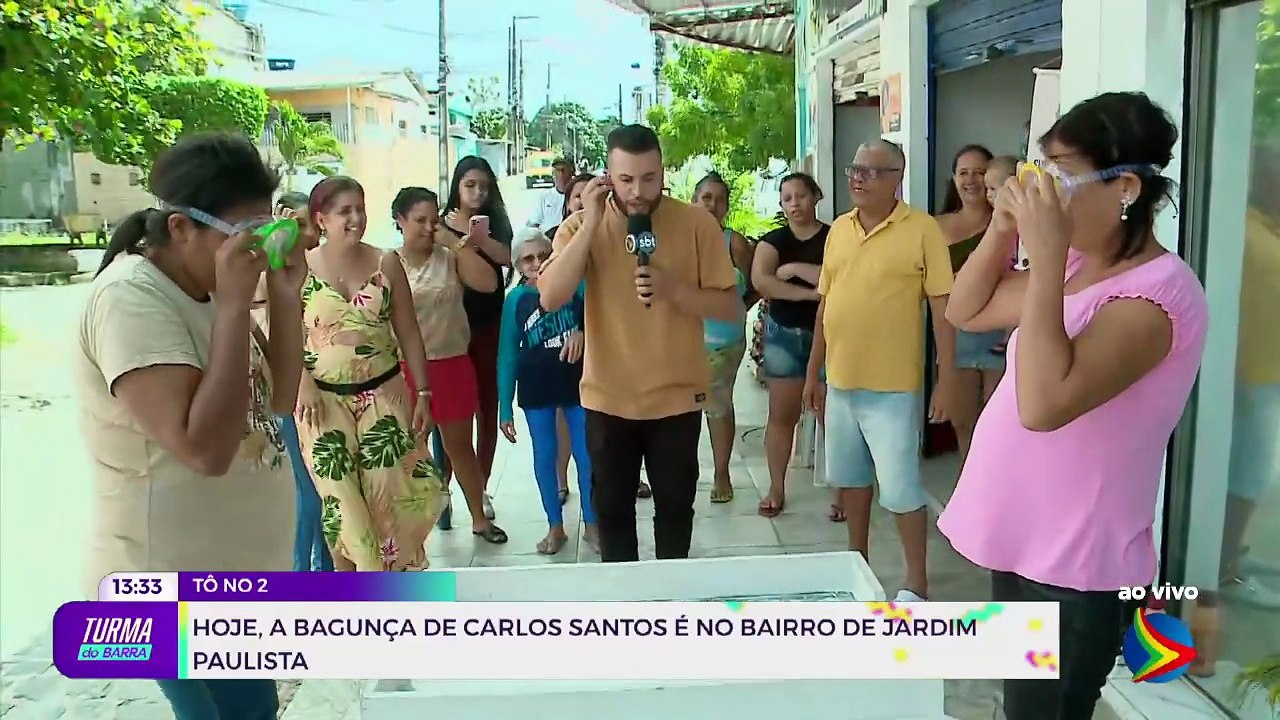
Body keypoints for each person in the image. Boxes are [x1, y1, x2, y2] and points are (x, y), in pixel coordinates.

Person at [939, 92, 1207, 719]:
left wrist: (1048, 254)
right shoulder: (1080, 266)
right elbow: (965, 309)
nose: (1044, 193)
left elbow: (1043, 404)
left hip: (1075, 563)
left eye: (1060, 176)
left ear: (1126, 189)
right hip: (1026, 540)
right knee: (1022, 705)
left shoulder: (1156, 297)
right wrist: (1003, 228)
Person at [76, 132, 304, 719]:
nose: (258, 253)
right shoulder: (131, 299)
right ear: (180, 228)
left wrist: (285, 298)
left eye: (267, 233)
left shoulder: (210, 289)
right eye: (244, 236)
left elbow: (278, 399)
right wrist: (234, 306)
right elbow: (204, 450)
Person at [538, 124, 739, 562]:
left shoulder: (696, 224)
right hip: (608, 400)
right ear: (607, 176)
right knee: (612, 516)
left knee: (675, 514)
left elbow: (731, 308)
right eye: (626, 179)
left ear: (663, 172)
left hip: (677, 399)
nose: (638, 192)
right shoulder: (580, 226)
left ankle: (669, 600)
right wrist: (591, 224)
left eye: (649, 178)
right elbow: (550, 297)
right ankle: (625, 600)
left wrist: (675, 290)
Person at [802, 139, 956, 603]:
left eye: (870, 170)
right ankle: (859, 566)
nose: (858, 177)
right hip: (840, 382)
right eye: (855, 168)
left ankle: (916, 582)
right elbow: (826, 306)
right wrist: (814, 374)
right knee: (851, 481)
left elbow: (942, 308)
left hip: (893, 388)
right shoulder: (839, 229)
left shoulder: (922, 230)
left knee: (901, 490)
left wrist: (946, 378)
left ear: (896, 178)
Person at [295, 176, 445, 571]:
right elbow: (285, 333)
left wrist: (423, 393)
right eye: (344, 211)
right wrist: (301, 381)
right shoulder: (300, 267)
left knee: (387, 502)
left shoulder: (386, 262)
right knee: (341, 506)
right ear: (321, 220)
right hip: (321, 403)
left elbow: (408, 331)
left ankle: (385, 587)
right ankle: (352, 591)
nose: (356, 218)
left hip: (383, 396)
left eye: (360, 209)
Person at [392, 186, 508, 544]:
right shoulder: (388, 263)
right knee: (409, 450)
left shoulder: (449, 256)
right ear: (400, 221)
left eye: (434, 219)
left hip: (451, 362)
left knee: (460, 448)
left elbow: (489, 283)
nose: (429, 227)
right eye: (420, 220)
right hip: (405, 368)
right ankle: (411, 527)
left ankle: (478, 518)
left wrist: (454, 242)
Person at [498, 230, 596, 554]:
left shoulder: (576, 287)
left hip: (577, 384)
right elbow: (508, 354)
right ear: (517, 264)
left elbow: (600, 321)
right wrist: (505, 407)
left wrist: (583, 331)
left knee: (586, 455)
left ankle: (592, 524)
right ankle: (555, 525)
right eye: (528, 258)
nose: (537, 263)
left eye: (543, 255)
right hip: (536, 386)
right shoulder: (515, 300)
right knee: (545, 455)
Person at [439, 156, 513, 524]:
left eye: (483, 185)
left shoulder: (495, 221)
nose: (477, 192)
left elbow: (511, 259)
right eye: (470, 185)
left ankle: (480, 489)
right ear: (457, 186)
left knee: (487, 406)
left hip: (490, 325)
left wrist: (478, 239)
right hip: (449, 328)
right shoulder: (440, 224)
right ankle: (444, 489)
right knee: (450, 414)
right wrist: (451, 233)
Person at [260, 191, 332, 572]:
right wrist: (302, 380)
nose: (309, 234)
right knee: (307, 492)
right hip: (295, 393)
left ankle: (326, 570)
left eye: (312, 224)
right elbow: (273, 328)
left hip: (331, 389)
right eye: (298, 225)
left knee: (327, 489)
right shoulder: (275, 271)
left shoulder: (323, 265)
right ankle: (301, 574)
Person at [750, 173, 828, 519]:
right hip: (784, 333)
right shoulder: (772, 241)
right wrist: (812, 294)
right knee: (782, 415)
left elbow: (838, 276)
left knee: (831, 415)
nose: (794, 203)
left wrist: (795, 268)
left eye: (801, 196)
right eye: (787, 198)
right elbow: (763, 282)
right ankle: (776, 487)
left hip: (829, 335)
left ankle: (844, 492)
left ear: (816, 197)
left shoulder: (835, 237)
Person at [693, 171, 758, 503]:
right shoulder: (677, 241)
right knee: (681, 407)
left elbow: (755, 284)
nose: (713, 205)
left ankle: (721, 473)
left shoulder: (735, 243)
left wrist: (735, 310)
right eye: (706, 198)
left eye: (720, 199)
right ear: (694, 201)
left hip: (723, 340)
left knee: (717, 405)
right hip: (681, 338)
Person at [936, 144, 1002, 467]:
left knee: (999, 425)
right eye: (963, 173)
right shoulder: (937, 226)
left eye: (979, 173)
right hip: (956, 332)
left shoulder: (1007, 221)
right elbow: (932, 288)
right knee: (963, 422)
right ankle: (969, 486)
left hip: (1000, 330)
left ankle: (1000, 490)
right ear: (954, 179)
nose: (971, 180)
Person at [528, 156, 576, 235]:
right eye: (557, 170)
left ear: (571, 173)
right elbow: (534, 223)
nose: (560, 174)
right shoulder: (545, 196)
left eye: (563, 170)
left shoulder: (576, 196)